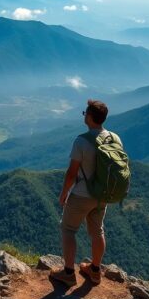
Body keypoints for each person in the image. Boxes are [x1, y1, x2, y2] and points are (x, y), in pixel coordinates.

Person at [49, 99, 121, 287]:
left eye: (85, 113)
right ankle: (95, 271)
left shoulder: (82, 141)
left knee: (68, 229)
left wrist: (64, 193)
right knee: (97, 231)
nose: (84, 116)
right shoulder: (114, 138)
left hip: (82, 194)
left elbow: (72, 173)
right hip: (103, 195)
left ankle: (68, 273)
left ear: (89, 116)